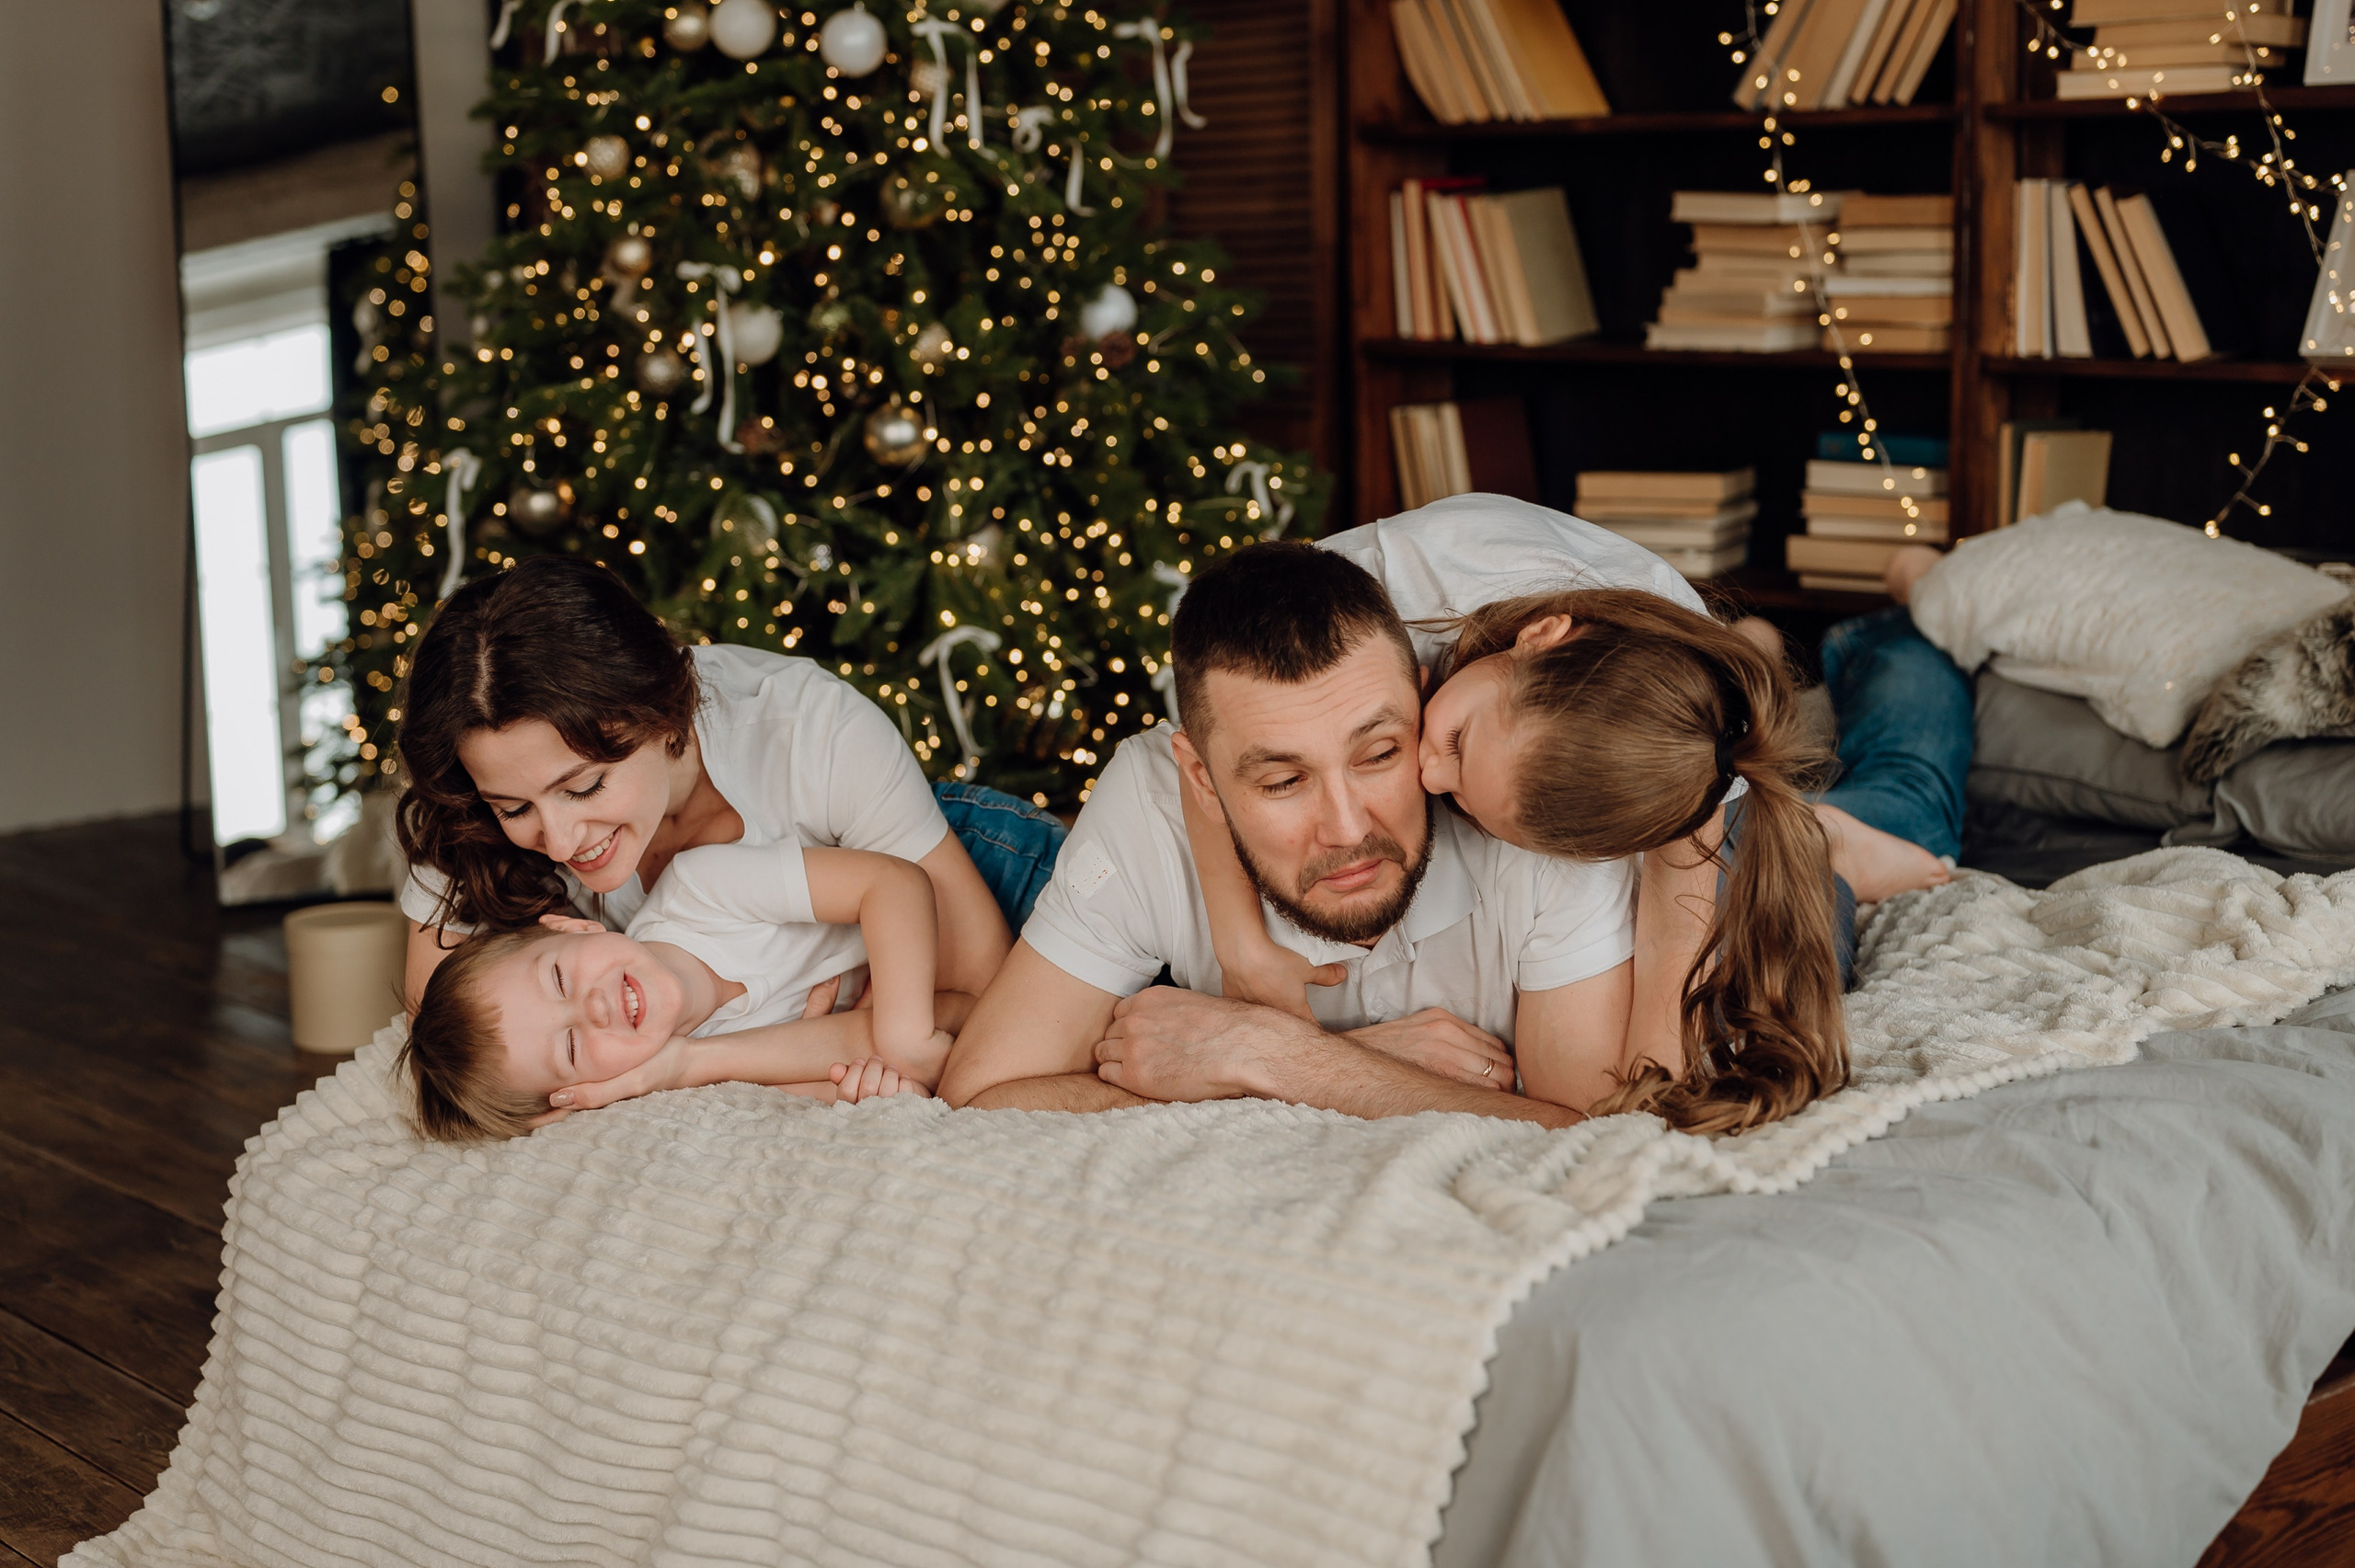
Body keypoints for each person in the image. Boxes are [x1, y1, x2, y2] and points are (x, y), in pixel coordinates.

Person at [1178, 497, 1973, 1130]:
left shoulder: (1679, 812)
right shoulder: (1401, 580)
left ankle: (1849, 774)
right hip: (1622, 657)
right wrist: (1242, 947)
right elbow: (1201, 732)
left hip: (1695, 812)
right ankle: (1771, 671)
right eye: (1454, 741)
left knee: (1837, 892)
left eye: (1462, 793)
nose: (1426, 766)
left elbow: (1644, 1082)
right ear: (1540, 636)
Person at [935, 540, 1643, 1127]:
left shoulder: (1525, 797)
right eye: (1283, 782)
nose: (1347, 828)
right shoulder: (1151, 806)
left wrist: (1271, 1053)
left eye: (1379, 755)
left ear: (1424, 702)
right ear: (1202, 780)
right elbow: (983, 1094)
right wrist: (1288, 1066)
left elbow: (1582, 1128)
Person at [393, 557, 1054, 1022]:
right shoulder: (473, 780)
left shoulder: (813, 734)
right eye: (514, 807)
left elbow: (979, 986)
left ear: (665, 716)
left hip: (988, 844)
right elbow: (445, 1030)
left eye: (587, 786)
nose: (560, 842)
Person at [401, 838, 948, 1140]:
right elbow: (890, 1067)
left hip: (975, 858)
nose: (591, 1007)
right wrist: (885, 1080)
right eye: (570, 1047)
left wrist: (899, 1042)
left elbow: (894, 881)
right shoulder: (697, 1088)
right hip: (935, 987)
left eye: (560, 979)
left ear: (571, 926)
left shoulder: (699, 890)